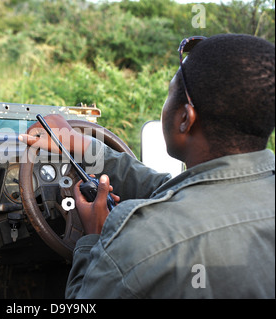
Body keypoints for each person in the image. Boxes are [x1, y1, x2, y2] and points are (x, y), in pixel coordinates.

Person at [19, 33, 275, 298]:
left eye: (169, 94)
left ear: (185, 119)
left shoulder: (139, 242)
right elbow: (181, 191)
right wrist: (83, 145)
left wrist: (93, 237)